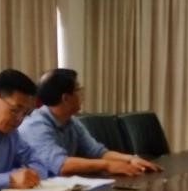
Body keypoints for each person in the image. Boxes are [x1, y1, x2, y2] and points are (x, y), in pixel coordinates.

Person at [18, 69, 161, 177]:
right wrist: (108, 165)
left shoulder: (71, 121)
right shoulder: (34, 126)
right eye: (78, 90)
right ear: (66, 98)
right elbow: (61, 165)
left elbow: (98, 152)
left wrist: (131, 159)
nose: (81, 95)